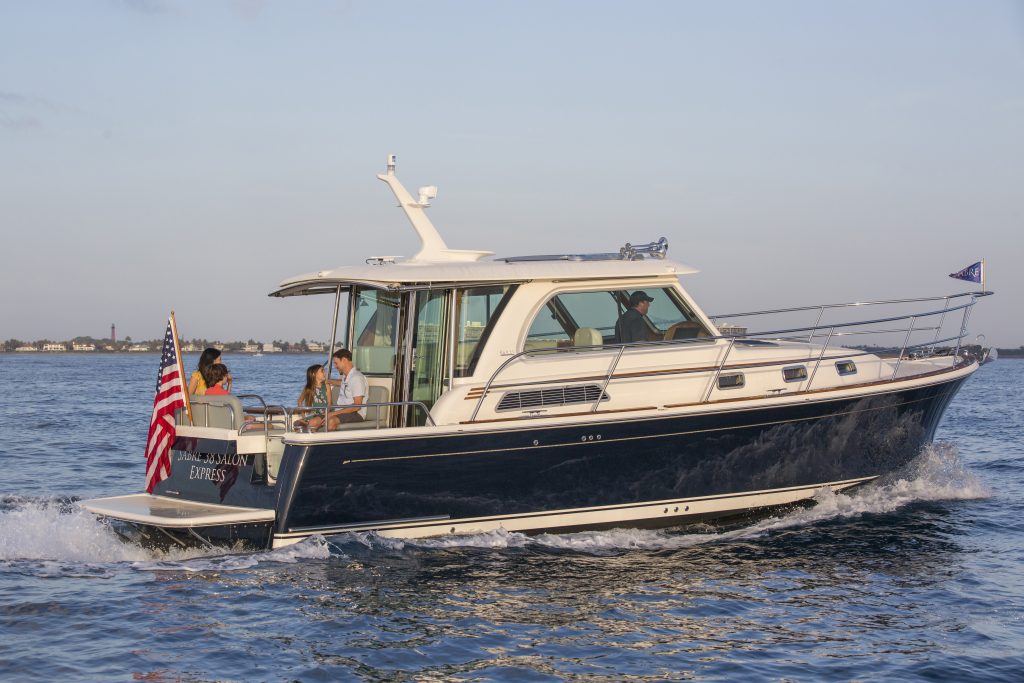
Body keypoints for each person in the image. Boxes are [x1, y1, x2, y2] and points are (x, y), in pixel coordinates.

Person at [326, 348, 367, 425]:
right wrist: (328, 381)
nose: (335, 366)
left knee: (330, 421)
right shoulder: (346, 377)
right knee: (314, 421)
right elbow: (344, 384)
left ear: (344, 360)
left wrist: (333, 413)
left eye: (336, 363)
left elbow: (357, 406)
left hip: (355, 414)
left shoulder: (357, 378)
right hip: (341, 411)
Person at [296, 364, 335, 432]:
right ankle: (308, 426)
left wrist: (326, 413)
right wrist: (303, 416)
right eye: (322, 371)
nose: (324, 373)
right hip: (312, 414)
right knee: (296, 424)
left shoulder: (326, 385)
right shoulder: (308, 388)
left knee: (312, 423)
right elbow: (299, 401)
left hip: (324, 413)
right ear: (314, 374)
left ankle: (311, 430)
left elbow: (330, 403)